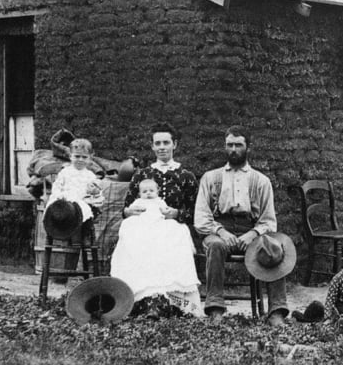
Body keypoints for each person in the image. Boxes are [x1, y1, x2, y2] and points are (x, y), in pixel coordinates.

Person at [194, 126, 290, 325]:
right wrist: (220, 231)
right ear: (224, 147)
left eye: (239, 145)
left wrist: (253, 234)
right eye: (230, 145)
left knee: (275, 246)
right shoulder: (211, 178)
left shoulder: (261, 181)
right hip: (219, 230)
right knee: (216, 246)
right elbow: (201, 218)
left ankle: (277, 310)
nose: (234, 150)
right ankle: (215, 309)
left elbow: (269, 221)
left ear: (248, 148)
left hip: (251, 230)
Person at [109, 177, 202, 317]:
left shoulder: (160, 201)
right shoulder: (138, 201)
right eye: (144, 191)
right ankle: (140, 296)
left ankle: (170, 297)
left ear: (157, 191)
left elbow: (166, 212)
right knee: (131, 229)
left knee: (177, 229)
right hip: (141, 223)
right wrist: (131, 211)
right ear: (139, 193)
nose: (148, 193)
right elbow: (128, 211)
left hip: (159, 223)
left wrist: (169, 212)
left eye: (151, 191)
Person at [122, 123, 199, 228]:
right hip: (143, 228)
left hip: (174, 229)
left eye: (166, 143)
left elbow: (196, 212)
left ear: (174, 144)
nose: (162, 147)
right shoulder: (141, 175)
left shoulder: (186, 176)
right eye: (157, 143)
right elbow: (126, 209)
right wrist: (129, 212)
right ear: (152, 146)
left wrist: (177, 214)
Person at [44, 137, 103, 227]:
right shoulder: (65, 172)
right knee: (57, 209)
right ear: (70, 156)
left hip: (81, 202)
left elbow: (95, 193)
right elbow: (56, 188)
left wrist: (94, 191)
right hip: (64, 202)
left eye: (84, 157)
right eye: (77, 156)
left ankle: (79, 236)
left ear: (90, 158)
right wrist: (60, 196)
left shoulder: (90, 175)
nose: (80, 160)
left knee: (83, 209)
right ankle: (60, 232)